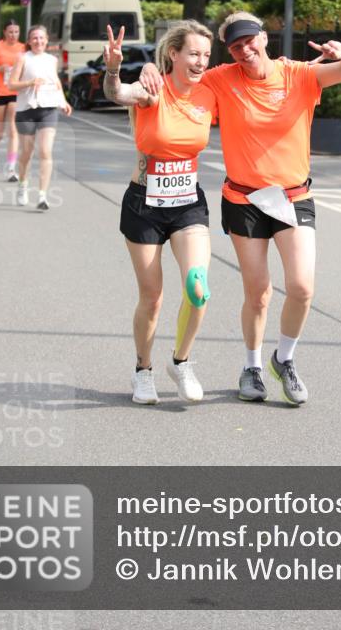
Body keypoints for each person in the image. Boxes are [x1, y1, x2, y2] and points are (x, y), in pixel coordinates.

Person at [140, 11, 341, 406]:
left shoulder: (298, 74)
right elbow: (179, 75)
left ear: (264, 38)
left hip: (293, 197)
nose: (245, 50)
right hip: (244, 199)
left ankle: (285, 359)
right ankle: (252, 366)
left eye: (250, 40)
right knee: (258, 292)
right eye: (236, 45)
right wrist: (146, 69)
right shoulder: (221, 78)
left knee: (301, 287)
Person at [103, 20, 217, 406]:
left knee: (198, 288)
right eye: (193, 54)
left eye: (206, 55)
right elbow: (118, 93)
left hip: (187, 203)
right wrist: (115, 69)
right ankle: (143, 370)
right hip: (144, 203)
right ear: (174, 54)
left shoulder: (209, 93)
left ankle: (181, 361)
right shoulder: (153, 90)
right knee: (152, 298)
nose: (201, 62)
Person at [8, 25, 72, 211]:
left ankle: (42, 195)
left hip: (48, 109)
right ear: (29, 41)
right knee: (27, 153)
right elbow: (11, 84)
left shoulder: (52, 60)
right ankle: (23, 184)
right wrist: (30, 83)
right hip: (26, 110)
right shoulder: (23, 58)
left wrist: (63, 101)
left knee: (45, 151)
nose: (38, 41)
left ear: (46, 40)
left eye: (42, 38)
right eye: (34, 38)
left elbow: (56, 82)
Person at [0, 18, 25, 180]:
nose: (13, 35)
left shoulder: (23, 48)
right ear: (4, 32)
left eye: (16, 32)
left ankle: (11, 167)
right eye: (10, 32)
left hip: (15, 92)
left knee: (13, 130)